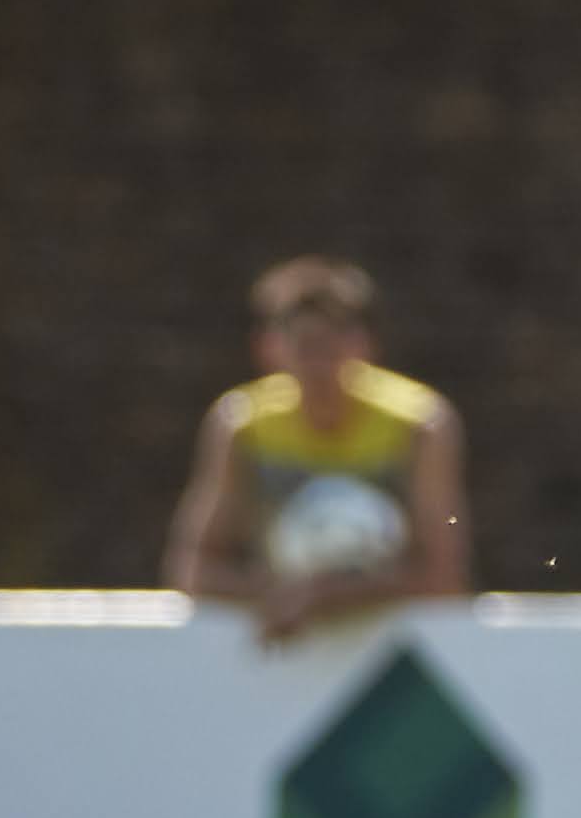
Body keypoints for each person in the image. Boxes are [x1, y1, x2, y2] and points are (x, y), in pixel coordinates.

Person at [164, 255, 472, 641]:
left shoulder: (420, 423)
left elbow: (444, 575)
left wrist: (325, 596)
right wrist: (276, 595)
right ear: (269, 348)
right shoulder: (241, 424)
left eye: (331, 346)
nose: (318, 365)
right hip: (285, 640)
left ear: (363, 345)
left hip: (397, 645)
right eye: (304, 346)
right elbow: (193, 568)